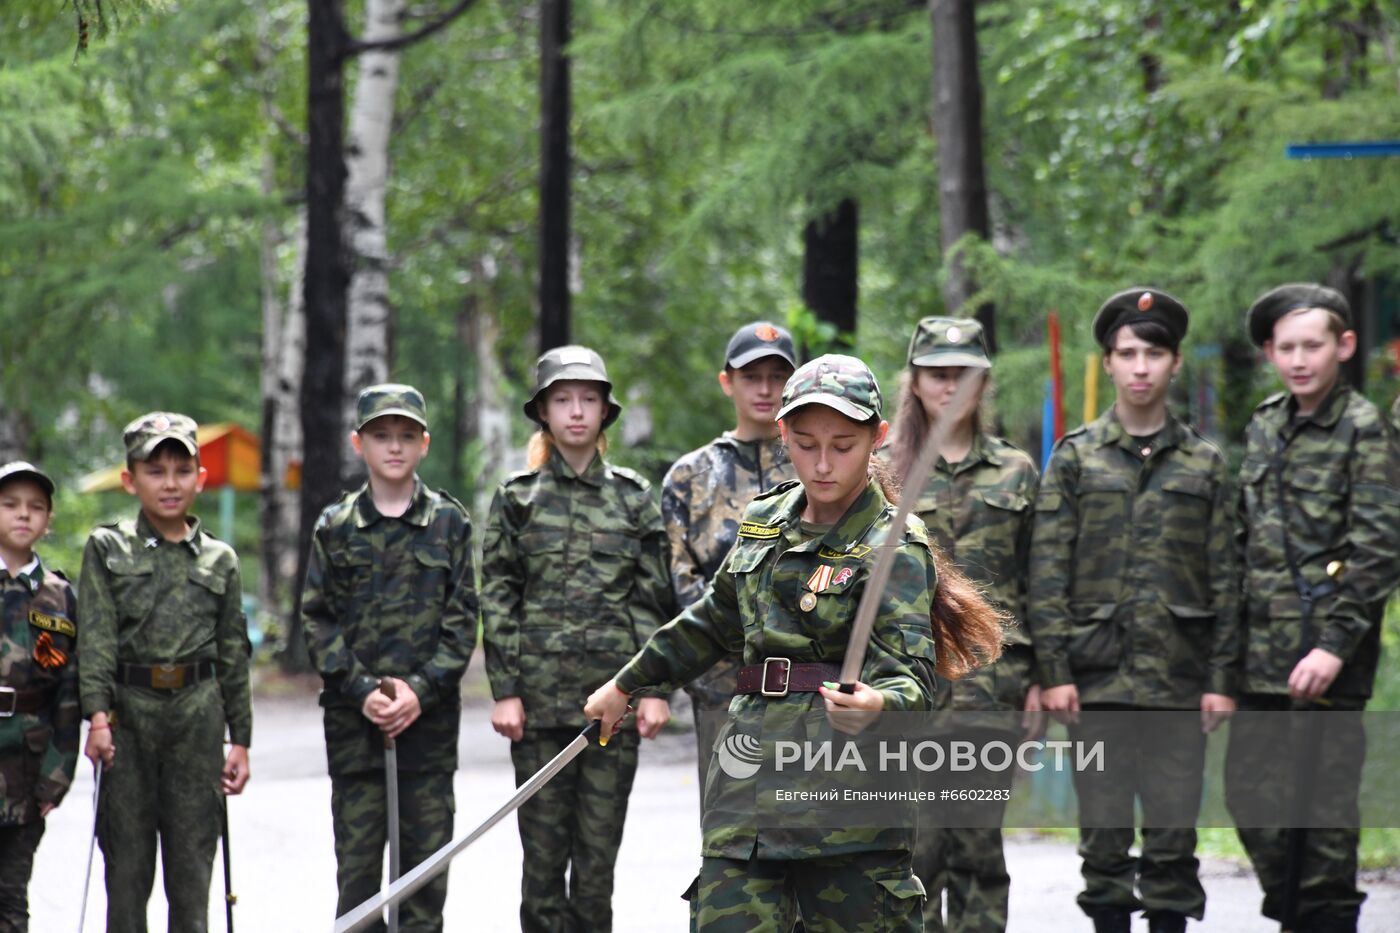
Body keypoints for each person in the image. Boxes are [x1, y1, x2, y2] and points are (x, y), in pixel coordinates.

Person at [585, 354, 1005, 932]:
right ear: (783, 433)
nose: (823, 464)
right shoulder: (765, 522)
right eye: (806, 444)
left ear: (877, 439)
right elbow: (712, 621)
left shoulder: (895, 548)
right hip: (749, 790)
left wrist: (878, 705)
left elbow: (911, 678)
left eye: (843, 445)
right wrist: (627, 682)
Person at [1028, 290, 1240, 933]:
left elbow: (1229, 580)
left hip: (1179, 681)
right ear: (1109, 363)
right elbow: (1047, 571)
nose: (1140, 367)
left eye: (1154, 353)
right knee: (1104, 845)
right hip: (1096, 684)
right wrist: (1055, 668)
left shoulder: (1205, 465)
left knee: (1174, 844)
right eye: (1127, 354)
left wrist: (1221, 682)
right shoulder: (1074, 459)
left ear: (1175, 363)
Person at [1225, 284, 1400, 933]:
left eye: (1313, 345)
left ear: (1344, 346)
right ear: (1271, 351)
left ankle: (1320, 915)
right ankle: (1299, 909)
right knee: (1250, 797)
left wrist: (1333, 646)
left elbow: (1380, 548)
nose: (1299, 359)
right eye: (1286, 346)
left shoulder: (1365, 429)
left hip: (1326, 663)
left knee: (1321, 822)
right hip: (1262, 661)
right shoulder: (1267, 422)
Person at [482, 345, 672, 933]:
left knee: (596, 868)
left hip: (611, 708)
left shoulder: (635, 497)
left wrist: (656, 690)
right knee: (542, 868)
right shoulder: (517, 498)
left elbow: (652, 602)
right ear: (543, 411)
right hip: (537, 710)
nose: (576, 411)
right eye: (562, 399)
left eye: (588, 399)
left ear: (605, 411)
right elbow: (498, 595)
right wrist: (506, 690)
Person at [301, 384, 478, 931]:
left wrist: (419, 692)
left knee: (423, 882)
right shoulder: (335, 526)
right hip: (356, 730)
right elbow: (317, 616)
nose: (394, 447)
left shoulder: (450, 523)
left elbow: (462, 618)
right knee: (357, 884)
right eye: (381, 436)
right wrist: (362, 691)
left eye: (406, 436)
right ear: (360, 444)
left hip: (427, 731)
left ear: (423, 443)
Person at [885, 318, 1040, 933]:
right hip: (904, 688)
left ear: (984, 382)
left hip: (988, 688)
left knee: (979, 852)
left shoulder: (1017, 471)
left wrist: (1041, 680)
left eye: (963, 375)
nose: (950, 387)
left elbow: (1038, 582)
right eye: (936, 374)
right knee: (912, 852)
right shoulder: (883, 471)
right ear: (915, 382)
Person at [79, 412, 252, 933]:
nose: (170, 483)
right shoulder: (108, 549)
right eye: (156, 471)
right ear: (131, 479)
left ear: (200, 477)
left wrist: (240, 739)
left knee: (192, 873)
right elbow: (97, 638)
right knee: (127, 876)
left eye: (182, 470)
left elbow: (232, 653)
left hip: (197, 721)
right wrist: (98, 717)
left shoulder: (220, 560)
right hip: (129, 722)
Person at [662, 321, 797, 804]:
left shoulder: (818, 465)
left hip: (808, 686)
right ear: (727, 382)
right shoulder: (691, 475)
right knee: (730, 837)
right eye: (750, 376)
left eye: (777, 376)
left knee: (810, 840)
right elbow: (683, 581)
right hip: (724, 686)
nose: (765, 389)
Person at [0, 462, 79, 931]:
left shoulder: (60, 597)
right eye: (10, 505)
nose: (23, 516)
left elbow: (68, 693)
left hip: (26, 765)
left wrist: (58, 773)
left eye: (35, 508)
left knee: (11, 897)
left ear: (48, 520)